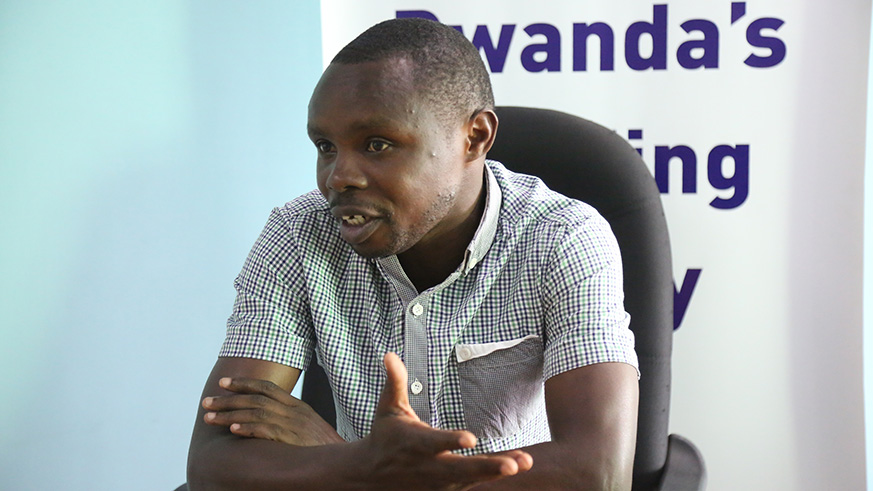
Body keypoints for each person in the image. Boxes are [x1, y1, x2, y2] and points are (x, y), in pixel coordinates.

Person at [187, 17, 639, 490]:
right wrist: (366, 467)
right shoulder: (298, 235)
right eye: (325, 146)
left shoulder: (561, 238)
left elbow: (598, 474)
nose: (338, 177)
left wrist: (357, 466)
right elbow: (213, 464)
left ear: (475, 138)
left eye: (376, 144)